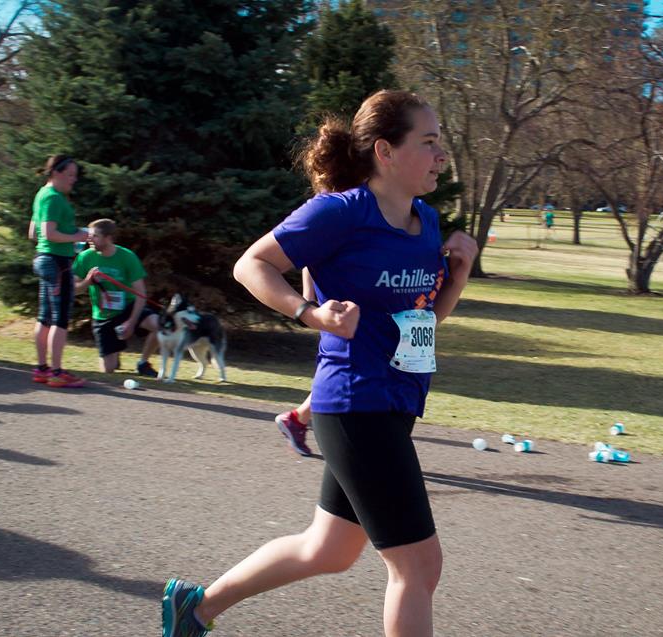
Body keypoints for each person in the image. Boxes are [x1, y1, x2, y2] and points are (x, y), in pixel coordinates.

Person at [162, 89, 478, 637]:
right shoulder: (340, 212)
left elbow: (428, 317)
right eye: (428, 143)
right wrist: (309, 312)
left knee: (327, 550)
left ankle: (197, 607)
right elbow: (251, 265)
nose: (440, 156)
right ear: (385, 150)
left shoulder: (426, 223)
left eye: (439, 144)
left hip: (395, 400)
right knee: (418, 566)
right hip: (357, 403)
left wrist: (460, 272)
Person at [28, 155, 89, 388]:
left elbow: (33, 233)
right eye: (70, 175)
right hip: (57, 262)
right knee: (60, 318)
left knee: (45, 317)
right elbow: (49, 232)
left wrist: (69, 235)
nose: (74, 180)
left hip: (46, 259)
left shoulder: (42, 195)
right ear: (56, 173)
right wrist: (78, 236)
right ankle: (56, 371)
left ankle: (42, 369)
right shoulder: (53, 197)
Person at [72, 218, 159, 375]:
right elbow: (74, 289)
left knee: (158, 325)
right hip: (103, 315)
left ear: (108, 238)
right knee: (108, 370)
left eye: (95, 236)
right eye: (89, 235)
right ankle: (115, 352)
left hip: (127, 307)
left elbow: (141, 294)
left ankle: (143, 363)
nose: (89, 239)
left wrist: (131, 323)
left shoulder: (127, 257)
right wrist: (87, 281)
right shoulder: (85, 257)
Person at [274, 268, 315, 457]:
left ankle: (297, 419)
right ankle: (297, 419)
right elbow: (313, 252)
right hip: (342, 308)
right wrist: (307, 301)